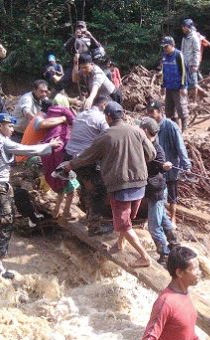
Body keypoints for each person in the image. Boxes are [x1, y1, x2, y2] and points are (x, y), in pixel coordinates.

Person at [66, 102, 155, 268]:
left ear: (107, 117)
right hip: (140, 184)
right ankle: (120, 244)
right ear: (122, 115)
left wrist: (70, 165)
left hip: (121, 186)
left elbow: (87, 156)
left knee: (122, 223)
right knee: (127, 220)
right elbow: (151, 154)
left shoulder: (106, 136)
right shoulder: (137, 131)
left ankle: (144, 257)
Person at [0, 113, 62, 279]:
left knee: (20, 194)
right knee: (7, 221)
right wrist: (50, 145)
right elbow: (25, 149)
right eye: (9, 126)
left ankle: (33, 218)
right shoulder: (1, 141)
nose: (12, 129)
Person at [140, 246, 209, 340]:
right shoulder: (165, 302)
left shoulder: (184, 294)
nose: (199, 272)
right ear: (180, 273)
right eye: (194, 269)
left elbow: (183, 329)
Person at [65, 95, 112, 235]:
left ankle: (88, 217)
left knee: (86, 187)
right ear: (104, 105)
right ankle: (95, 226)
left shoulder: (80, 115)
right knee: (100, 190)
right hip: (85, 159)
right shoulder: (100, 118)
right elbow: (109, 137)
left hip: (71, 157)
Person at [146, 100, 191, 230]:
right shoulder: (149, 127)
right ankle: (156, 217)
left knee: (172, 195)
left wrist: (186, 165)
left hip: (171, 167)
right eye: (148, 112)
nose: (150, 114)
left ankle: (173, 218)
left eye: (152, 112)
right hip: (156, 168)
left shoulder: (171, 126)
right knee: (155, 194)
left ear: (160, 112)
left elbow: (180, 146)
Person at [139, 117, 177, 265]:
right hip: (154, 191)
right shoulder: (145, 144)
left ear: (146, 131)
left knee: (154, 227)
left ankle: (165, 254)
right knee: (162, 219)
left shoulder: (157, 148)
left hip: (157, 192)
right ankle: (174, 243)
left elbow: (160, 164)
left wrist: (164, 167)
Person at [39, 95, 77, 219]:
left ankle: (56, 211)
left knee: (59, 185)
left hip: (48, 151)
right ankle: (66, 212)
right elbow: (74, 121)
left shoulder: (49, 114)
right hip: (60, 152)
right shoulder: (64, 111)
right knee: (72, 187)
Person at [160, 36, 190, 132]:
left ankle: (185, 128)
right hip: (168, 86)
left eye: (166, 46)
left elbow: (184, 71)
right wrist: (162, 86)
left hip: (178, 87)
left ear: (172, 45)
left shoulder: (178, 55)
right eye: (163, 47)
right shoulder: (164, 56)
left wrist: (184, 86)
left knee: (181, 107)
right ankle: (174, 128)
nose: (164, 48)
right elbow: (163, 71)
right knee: (169, 109)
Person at [180, 19, 201, 103]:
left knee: (193, 83)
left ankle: (194, 102)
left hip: (192, 64)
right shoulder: (185, 38)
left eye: (184, 27)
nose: (182, 29)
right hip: (185, 63)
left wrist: (195, 65)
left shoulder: (194, 37)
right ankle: (187, 101)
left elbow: (197, 51)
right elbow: (182, 51)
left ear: (188, 27)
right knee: (185, 83)